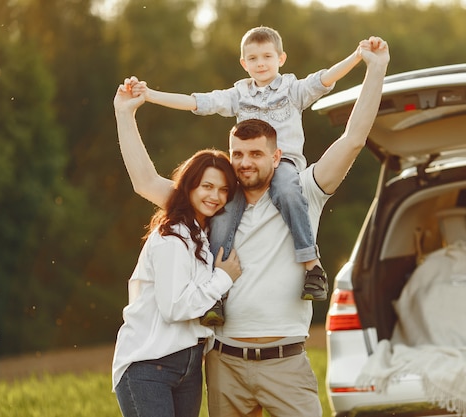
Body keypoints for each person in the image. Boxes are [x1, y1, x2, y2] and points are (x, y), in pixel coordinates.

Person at [118, 35, 390, 417]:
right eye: (238, 154)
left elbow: (353, 138)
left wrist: (375, 69)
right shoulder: (212, 205)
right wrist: (126, 114)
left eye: (256, 154)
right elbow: (146, 182)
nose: (245, 162)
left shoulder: (304, 191)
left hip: (286, 363)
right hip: (224, 364)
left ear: (277, 156)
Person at [128, 26, 367, 313]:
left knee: (288, 191)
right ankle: (216, 292)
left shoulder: (292, 89)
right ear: (244, 63)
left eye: (267, 56)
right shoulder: (239, 94)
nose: (261, 63)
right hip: (245, 168)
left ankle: (311, 265)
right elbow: (198, 102)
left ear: (281, 58)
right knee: (224, 214)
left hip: (284, 164)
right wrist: (151, 95)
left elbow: (325, 78)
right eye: (253, 58)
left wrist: (357, 56)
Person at [110, 92, 243, 417]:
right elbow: (173, 308)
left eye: (224, 190)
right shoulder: (172, 236)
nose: (216, 196)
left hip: (189, 364)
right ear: (190, 187)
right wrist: (222, 279)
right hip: (148, 364)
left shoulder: (206, 230)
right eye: (207, 187)